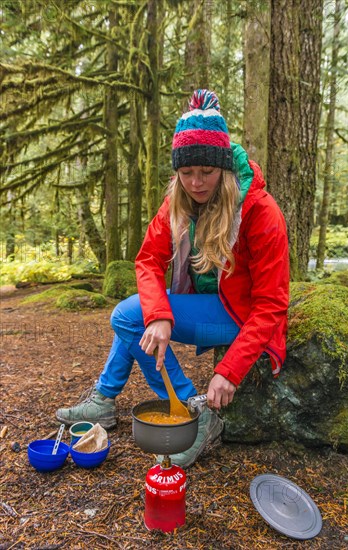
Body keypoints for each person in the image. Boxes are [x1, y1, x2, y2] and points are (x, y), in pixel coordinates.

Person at [56, 89, 289, 468]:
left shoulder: (260, 212)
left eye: (207, 172)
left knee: (128, 317)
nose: (196, 183)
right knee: (140, 320)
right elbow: (148, 259)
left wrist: (228, 372)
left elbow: (272, 305)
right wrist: (160, 315)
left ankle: (194, 413)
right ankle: (105, 398)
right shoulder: (178, 200)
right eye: (186, 173)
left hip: (243, 315)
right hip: (208, 302)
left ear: (225, 168)